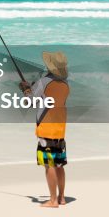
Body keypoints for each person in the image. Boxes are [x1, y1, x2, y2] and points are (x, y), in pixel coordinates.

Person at [29, 51, 70, 208]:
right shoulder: (66, 84)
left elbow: (30, 102)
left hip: (46, 128)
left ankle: (52, 200)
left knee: (49, 165)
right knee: (59, 165)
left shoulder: (44, 82)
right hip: (60, 128)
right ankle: (61, 197)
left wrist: (26, 91)